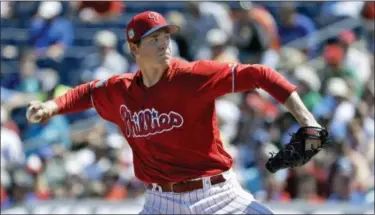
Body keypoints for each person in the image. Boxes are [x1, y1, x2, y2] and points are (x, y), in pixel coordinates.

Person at [26, 11, 322, 214]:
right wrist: (51, 107)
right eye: (153, 39)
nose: (164, 44)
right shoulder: (121, 89)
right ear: (134, 48)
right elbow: (88, 92)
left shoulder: (193, 76)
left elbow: (260, 74)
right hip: (160, 202)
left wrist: (307, 121)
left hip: (217, 196)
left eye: (165, 36)